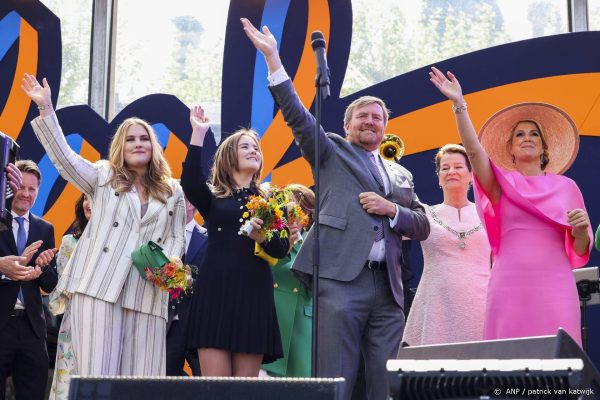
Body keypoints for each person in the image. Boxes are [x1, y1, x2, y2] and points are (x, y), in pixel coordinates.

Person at [241, 19, 430, 400]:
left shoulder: (400, 173)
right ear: (347, 125)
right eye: (362, 116)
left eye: (377, 117)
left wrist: (391, 210)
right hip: (341, 279)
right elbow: (297, 115)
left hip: (388, 288)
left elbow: (423, 224)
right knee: (336, 378)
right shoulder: (330, 151)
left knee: (385, 382)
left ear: (385, 128)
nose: (370, 121)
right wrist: (274, 60)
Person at [22, 74, 186, 391]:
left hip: (148, 294)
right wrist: (47, 111)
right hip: (98, 289)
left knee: (144, 384)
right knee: (99, 380)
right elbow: (66, 161)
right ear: (120, 147)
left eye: (144, 138)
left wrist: (172, 266)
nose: (138, 143)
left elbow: (176, 237)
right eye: (130, 138)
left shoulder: (172, 191)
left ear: (154, 146)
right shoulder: (103, 176)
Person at [430, 66, 592, 344]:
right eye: (519, 134)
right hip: (509, 286)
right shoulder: (501, 183)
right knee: (510, 367)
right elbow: (472, 151)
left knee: (557, 367)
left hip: (556, 286)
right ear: (511, 149)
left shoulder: (567, 187)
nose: (527, 137)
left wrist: (579, 231)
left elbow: (579, 248)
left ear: (543, 148)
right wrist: (459, 104)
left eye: (534, 134)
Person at [181, 105, 288, 377]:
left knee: (244, 391)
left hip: (254, 296)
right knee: (215, 390)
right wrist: (199, 133)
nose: (254, 150)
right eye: (245, 147)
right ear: (230, 157)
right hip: (215, 294)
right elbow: (190, 181)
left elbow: (281, 248)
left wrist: (261, 236)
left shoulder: (272, 200)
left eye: (256, 148)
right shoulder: (213, 197)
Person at [403, 144, 491, 346]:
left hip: (483, 304)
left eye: (458, 167)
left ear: (471, 174)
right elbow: (387, 229)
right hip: (436, 309)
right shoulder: (423, 213)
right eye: (445, 168)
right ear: (439, 177)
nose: (451, 171)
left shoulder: (490, 214)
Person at [0, 160, 58, 400]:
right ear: (10, 187)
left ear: (38, 191)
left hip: (32, 328)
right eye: (20, 187)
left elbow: (50, 285)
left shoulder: (45, 229)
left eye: (31, 189)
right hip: (1, 324)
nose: (25, 193)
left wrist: (43, 268)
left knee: (33, 394)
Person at [263, 184, 314, 378]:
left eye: (301, 211)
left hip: (304, 322)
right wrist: (285, 243)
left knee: (303, 383)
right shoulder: (268, 240)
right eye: (289, 210)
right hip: (275, 317)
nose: (295, 217)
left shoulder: (314, 242)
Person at [48, 193, 91, 400]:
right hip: (74, 323)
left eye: (94, 198)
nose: (88, 204)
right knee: (67, 386)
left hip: (106, 320)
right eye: (85, 198)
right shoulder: (68, 242)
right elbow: (62, 291)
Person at [166, 197, 207, 377]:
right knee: (163, 385)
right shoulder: (160, 237)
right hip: (166, 324)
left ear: (190, 204)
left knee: (207, 385)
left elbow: (214, 280)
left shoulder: (209, 238)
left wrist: (191, 281)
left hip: (198, 325)